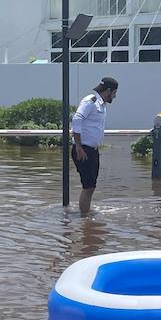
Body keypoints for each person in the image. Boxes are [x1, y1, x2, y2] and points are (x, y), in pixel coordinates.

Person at [71, 76, 118, 216]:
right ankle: (84, 217)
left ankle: (85, 213)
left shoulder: (101, 104)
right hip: (83, 150)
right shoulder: (91, 101)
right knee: (88, 186)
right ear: (108, 91)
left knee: (91, 186)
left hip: (91, 150)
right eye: (114, 93)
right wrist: (78, 147)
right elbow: (77, 118)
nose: (115, 96)